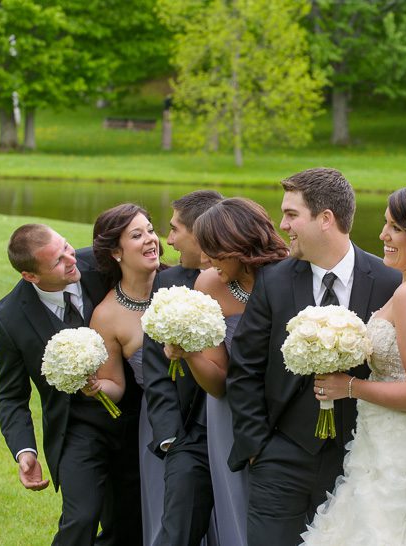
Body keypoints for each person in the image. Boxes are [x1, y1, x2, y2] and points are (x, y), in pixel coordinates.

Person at [227, 167, 401, 544]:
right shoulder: (273, 281)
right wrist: (258, 447)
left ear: (326, 219)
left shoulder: (389, 281)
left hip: (360, 460)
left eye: (291, 214)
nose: (282, 224)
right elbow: (244, 369)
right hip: (280, 455)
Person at [301, 179, 406, 544]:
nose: (383, 234)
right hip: (379, 445)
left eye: (396, 228)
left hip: (402, 456)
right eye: (386, 223)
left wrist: (349, 387)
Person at [0, 223, 142, 545]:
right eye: (58, 261)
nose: (71, 260)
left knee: (129, 525)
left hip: (136, 413)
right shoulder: (9, 317)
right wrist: (24, 451)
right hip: (77, 427)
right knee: (81, 517)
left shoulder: (102, 266)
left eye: (67, 248)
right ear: (31, 276)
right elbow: (10, 396)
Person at [166, 197, 288, 545]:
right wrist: (189, 355)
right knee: (239, 508)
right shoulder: (208, 285)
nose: (204, 260)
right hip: (229, 412)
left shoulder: (289, 277)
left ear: (238, 246)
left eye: (213, 251)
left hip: (288, 407)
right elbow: (218, 383)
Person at [143, 190, 223, 546]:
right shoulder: (167, 282)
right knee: (175, 533)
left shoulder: (254, 280)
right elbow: (156, 370)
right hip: (190, 435)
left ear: (203, 233)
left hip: (245, 430)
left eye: (175, 230)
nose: (168, 240)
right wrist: (171, 438)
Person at [88, 204, 164, 546]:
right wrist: (94, 385)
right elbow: (116, 386)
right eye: (138, 235)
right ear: (116, 252)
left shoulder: (186, 282)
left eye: (150, 230)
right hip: (159, 423)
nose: (151, 240)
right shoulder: (107, 315)